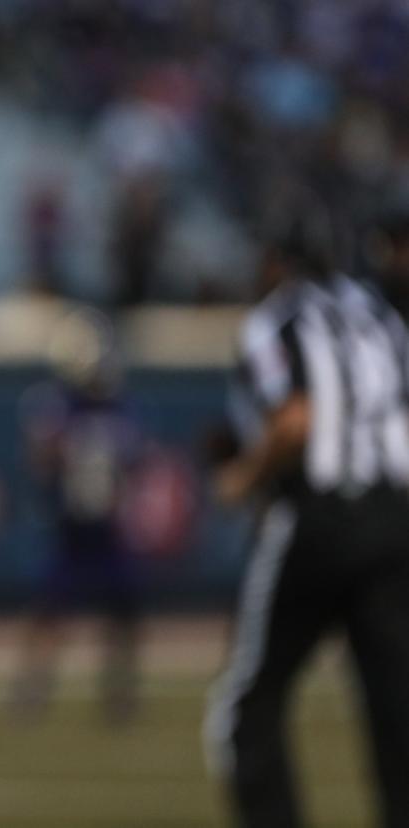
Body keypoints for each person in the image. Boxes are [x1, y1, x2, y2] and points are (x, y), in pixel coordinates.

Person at [205, 210, 409, 828]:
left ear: (274, 261)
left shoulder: (278, 318)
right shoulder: (380, 315)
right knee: (395, 703)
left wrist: (242, 477)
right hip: (396, 521)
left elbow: (295, 420)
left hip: (318, 521)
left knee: (248, 704)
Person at [12, 307, 143, 723]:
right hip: (71, 529)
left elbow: (133, 463)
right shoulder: (59, 407)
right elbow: (40, 460)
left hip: (107, 528)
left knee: (123, 615)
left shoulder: (116, 406)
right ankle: (32, 692)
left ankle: (119, 695)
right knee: (50, 613)